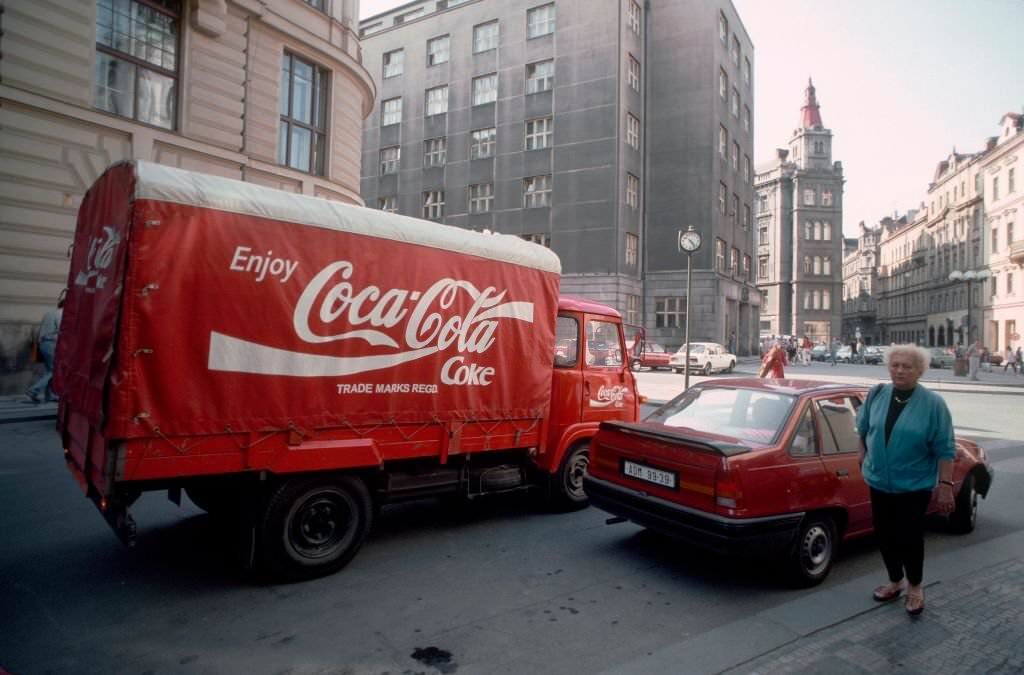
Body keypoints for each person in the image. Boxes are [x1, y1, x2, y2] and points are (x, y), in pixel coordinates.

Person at [856, 344, 956, 616]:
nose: (899, 371)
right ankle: (894, 580)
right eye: (895, 365)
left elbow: (945, 449)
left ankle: (915, 586)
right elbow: (863, 427)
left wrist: (946, 487)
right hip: (878, 480)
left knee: (909, 536)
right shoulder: (877, 394)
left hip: (914, 485)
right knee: (884, 533)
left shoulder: (933, 404)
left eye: (906, 367)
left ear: (919, 370)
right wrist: (863, 453)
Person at [26, 296, 64, 403]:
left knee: (49, 370)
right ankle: (33, 390)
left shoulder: (49, 313)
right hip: (52, 343)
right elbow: (62, 330)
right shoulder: (62, 314)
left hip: (42, 344)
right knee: (54, 370)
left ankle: (50, 395)